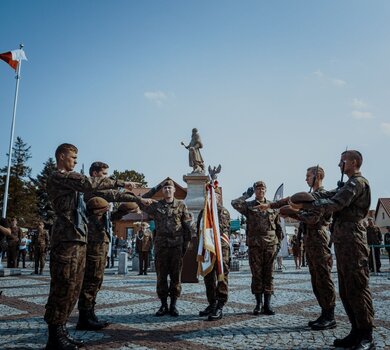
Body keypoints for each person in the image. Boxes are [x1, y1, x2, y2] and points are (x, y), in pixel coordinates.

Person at [44, 143, 138, 350]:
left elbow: (110, 194)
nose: (76, 161)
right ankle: (54, 336)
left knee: (73, 286)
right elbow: (88, 182)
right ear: (61, 156)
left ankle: (62, 331)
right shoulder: (58, 176)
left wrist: (136, 197)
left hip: (78, 237)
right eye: (73, 157)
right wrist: (121, 182)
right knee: (63, 285)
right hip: (66, 238)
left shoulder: (70, 181)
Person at [291, 150, 375, 349]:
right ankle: (355, 332)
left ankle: (367, 336)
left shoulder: (357, 183)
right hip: (344, 243)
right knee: (346, 290)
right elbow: (329, 194)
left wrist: (307, 204)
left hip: (354, 242)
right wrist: (302, 200)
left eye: (342, 161)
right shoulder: (347, 184)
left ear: (353, 162)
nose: (339, 165)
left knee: (358, 287)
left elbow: (336, 202)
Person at [77, 161, 154, 331]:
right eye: (104, 174)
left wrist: (121, 212)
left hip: (101, 239)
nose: (107, 177)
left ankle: (90, 313)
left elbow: (107, 217)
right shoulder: (92, 189)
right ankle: (84, 316)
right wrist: (139, 199)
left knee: (96, 279)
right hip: (93, 241)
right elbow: (117, 195)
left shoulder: (99, 192)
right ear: (95, 174)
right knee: (91, 278)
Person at [264, 166, 337, 331]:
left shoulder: (320, 197)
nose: (305, 179)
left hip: (319, 238)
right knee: (316, 279)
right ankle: (324, 312)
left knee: (323, 277)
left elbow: (312, 219)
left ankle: (329, 315)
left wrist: (291, 213)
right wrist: (271, 206)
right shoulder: (309, 196)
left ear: (317, 177)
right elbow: (290, 200)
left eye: (308, 176)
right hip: (310, 240)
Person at [138, 178, 193, 317]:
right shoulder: (156, 206)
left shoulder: (181, 206)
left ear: (174, 190)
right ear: (162, 191)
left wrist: (185, 245)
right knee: (161, 277)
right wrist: (156, 187)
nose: (167, 190)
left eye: (170, 188)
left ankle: (173, 305)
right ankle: (163, 305)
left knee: (175, 277)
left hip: (176, 247)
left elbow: (187, 227)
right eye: (165, 188)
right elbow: (140, 201)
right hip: (161, 247)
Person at [231, 181, 283, 316]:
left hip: (270, 244)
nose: (260, 191)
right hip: (255, 245)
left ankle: (268, 304)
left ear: (266, 190)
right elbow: (234, 203)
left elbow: (278, 227)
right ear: (254, 191)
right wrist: (246, 195)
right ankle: (258, 304)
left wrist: (278, 244)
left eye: (262, 189)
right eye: (258, 189)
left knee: (269, 274)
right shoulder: (249, 206)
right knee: (257, 274)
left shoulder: (273, 206)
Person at [197, 186, 231, 321]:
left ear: (218, 197)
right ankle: (212, 303)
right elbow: (199, 231)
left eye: (213, 195)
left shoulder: (222, 212)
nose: (210, 197)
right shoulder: (203, 212)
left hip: (220, 249)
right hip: (208, 250)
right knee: (208, 278)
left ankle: (220, 305)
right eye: (208, 195)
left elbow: (221, 231)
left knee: (221, 276)